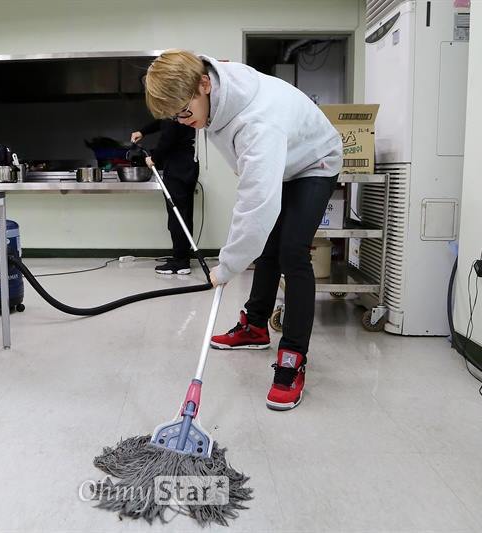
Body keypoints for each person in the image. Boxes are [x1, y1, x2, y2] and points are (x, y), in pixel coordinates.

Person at [144, 50, 342, 411]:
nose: (183, 121)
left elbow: (256, 207)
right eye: (174, 116)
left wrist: (227, 266)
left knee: (292, 251)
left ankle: (293, 357)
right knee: (266, 245)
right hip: (283, 156)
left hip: (315, 160)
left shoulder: (257, 123)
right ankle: (255, 326)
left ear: (205, 85)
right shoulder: (213, 87)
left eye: (184, 112)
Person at [130, 119, 199, 275]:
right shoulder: (181, 111)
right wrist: (143, 131)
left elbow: (168, 136)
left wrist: (153, 158)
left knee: (177, 216)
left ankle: (181, 262)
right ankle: (181, 257)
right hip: (187, 163)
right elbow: (163, 123)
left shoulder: (173, 115)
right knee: (183, 213)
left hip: (178, 166)